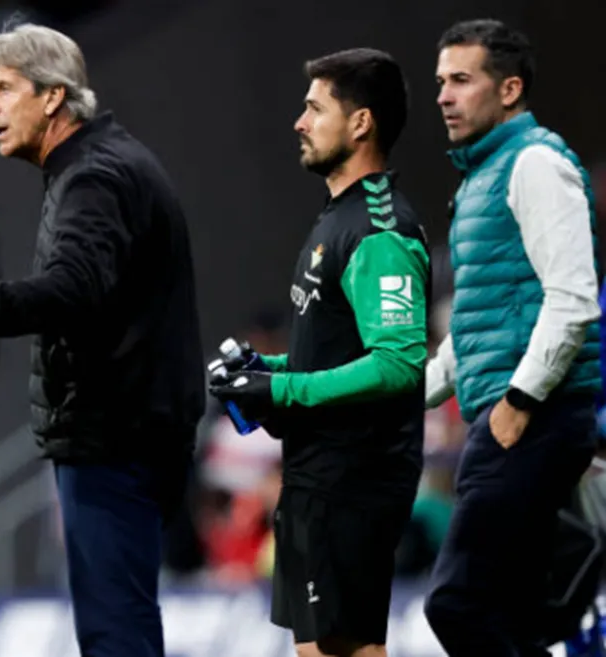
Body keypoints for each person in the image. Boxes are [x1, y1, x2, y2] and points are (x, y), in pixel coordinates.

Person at [0, 22, 205, 657]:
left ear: (53, 96)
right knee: (120, 620)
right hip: (127, 430)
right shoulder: (95, 165)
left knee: (115, 631)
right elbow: (86, 291)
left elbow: (74, 290)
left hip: (115, 436)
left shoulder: (94, 176)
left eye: (2, 89)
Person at [209, 48, 430, 657]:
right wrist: (264, 372)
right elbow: (337, 348)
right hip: (318, 477)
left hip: (352, 480)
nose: (299, 122)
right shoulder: (337, 218)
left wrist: (282, 390)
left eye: (314, 108)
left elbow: (399, 363)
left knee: (344, 651)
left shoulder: (380, 229)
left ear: (361, 123)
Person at [422, 19, 601, 657]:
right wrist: (397, 393)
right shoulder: (480, 180)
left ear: (510, 89)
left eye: (462, 80)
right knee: (514, 617)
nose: (443, 95)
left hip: (532, 419)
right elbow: (472, 334)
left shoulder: (536, 163)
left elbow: (574, 299)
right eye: (441, 81)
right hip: (513, 416)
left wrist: (519, 402)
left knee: (458, 604)